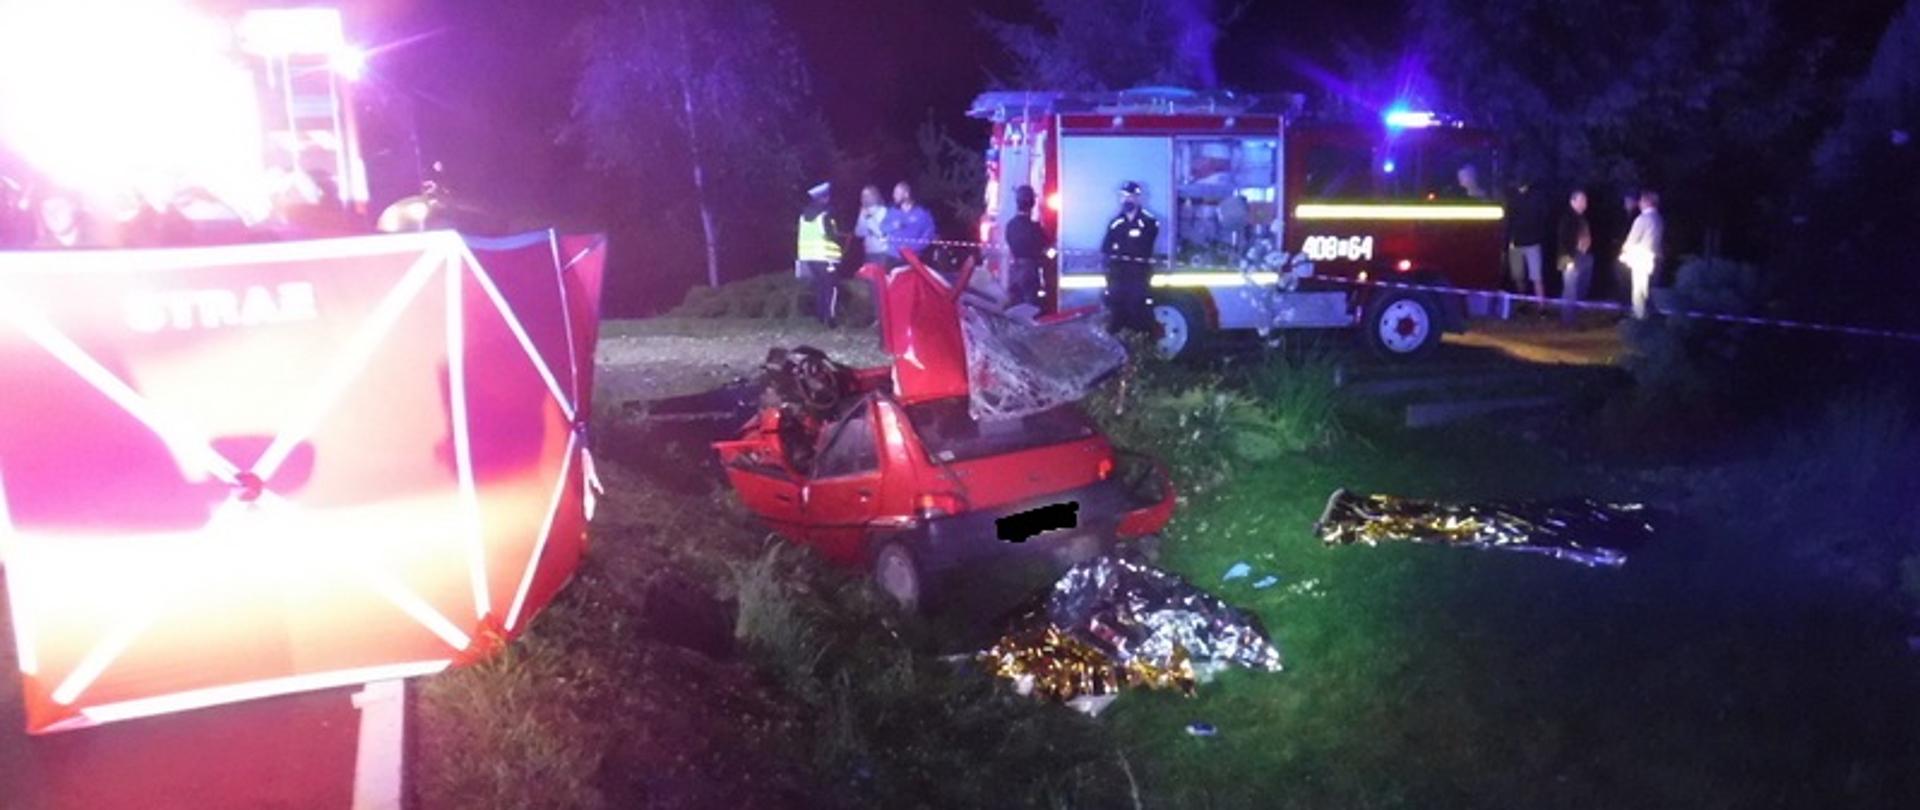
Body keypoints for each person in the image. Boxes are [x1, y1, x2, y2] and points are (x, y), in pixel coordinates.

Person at [1102, 180, 1160, 334]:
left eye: (1130, 196)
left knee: (1138, 311)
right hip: (1118, 275)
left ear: (1137, 198)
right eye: (1123, 196)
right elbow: (1106, 248)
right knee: (1116, 312)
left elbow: (1146, 244)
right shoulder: (1115, 223)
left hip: (1138, 275)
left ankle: (1141, 342)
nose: (1126, 199)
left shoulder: (1149, 222)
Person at [795, 181, 842, 327]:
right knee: (831, 287)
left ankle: (821, 316)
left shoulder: (803, 216)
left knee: (820, 286)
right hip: (826, 257)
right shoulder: (825, 215)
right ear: (824, 198)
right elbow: (832, 236)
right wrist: (839, 238)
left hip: (809, 258)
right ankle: (831, 318)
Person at [1620, 190, 1665, 319]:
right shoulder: (1658, 218)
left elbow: (1632, 239)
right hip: (1654, 257)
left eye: (1641, 200)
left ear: (1647, 202)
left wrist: (1624, 251)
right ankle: (1648, 313)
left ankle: (1639, 314)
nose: (1639, 203)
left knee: (1639, 288)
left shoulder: (1643, 218)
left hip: (1641, 257)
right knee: (1648, 287)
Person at [1506, 178, 1550, 304]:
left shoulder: (1536, 197)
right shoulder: (1512, 197)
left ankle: (1541, 306)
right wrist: (1508, 243)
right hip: (1516, 244)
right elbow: (1508, 222)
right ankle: (1523, 303)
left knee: (1536, 277)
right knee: (1518, 276)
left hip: (1532, 243)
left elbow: (1542, 217)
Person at [1003, 185, 1049, 309]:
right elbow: (1045, 246)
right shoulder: (1035, 228)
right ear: (1032, 204)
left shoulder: (1010, 225)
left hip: (1014, 270)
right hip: (1030, 270)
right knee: (1030, 308)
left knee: (1014, 307)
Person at [1557, 189, 1594, 326]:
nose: (1585, 203)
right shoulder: (1568, 218)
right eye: (1581, 200)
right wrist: (1569, 260)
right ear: (1573, 201)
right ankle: (1568, 320)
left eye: (1585, 200)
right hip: (1569, 257)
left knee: (1577, 286)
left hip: (1580, 256)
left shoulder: (1581, 218)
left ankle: (1572, 315)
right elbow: (1563, 240)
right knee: (1570, 288)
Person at [883, 181, 935, 263]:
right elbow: (883, 227)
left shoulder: (922, 214)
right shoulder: (892, 211)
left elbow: (928, 235)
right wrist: (893, 226)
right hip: (892, 257)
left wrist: (912, 247)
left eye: (897, 193)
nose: (893, 196)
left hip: (913, 258)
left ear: (906, 194)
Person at [853, 185, 891, 267]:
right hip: (868, 252)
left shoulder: (883, 211)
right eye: (863, 195)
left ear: (875, 195)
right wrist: (863, 218)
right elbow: (858, 233)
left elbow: (881, 234)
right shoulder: (863, 211)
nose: (864, 198)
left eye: (867, 195)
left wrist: (868, 217)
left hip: (882, 253)